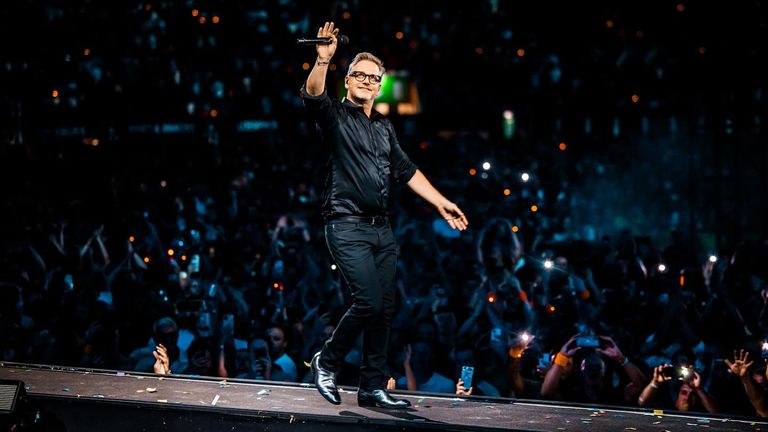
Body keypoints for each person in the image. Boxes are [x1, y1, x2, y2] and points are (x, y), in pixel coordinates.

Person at [301, 21, 469, 409]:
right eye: (357, 74)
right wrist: (323, 61)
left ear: (379, 86)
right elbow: (313, 95)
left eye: (372, 77)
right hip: (345, 226)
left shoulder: (384, 127)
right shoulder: (335, 117)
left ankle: (371, 386)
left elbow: (407, 170)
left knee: (385, 311)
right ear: (348, 81)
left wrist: (440, 201)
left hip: (382, 231)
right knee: (369, 302)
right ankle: (326, 362)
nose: (364, 80)